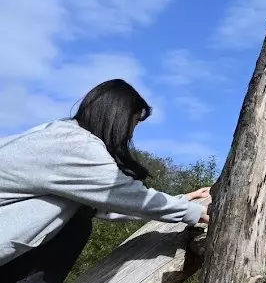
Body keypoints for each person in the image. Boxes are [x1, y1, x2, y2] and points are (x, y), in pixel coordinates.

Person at [0, 79, 212, 283]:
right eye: (134, 122)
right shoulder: (74, 146)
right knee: (77, 223)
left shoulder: (56, 134)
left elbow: (107, 204)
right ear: (118, 116)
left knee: (79, 215)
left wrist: (183, 199)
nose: (132, 131)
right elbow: (126, 196)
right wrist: (194, 213)